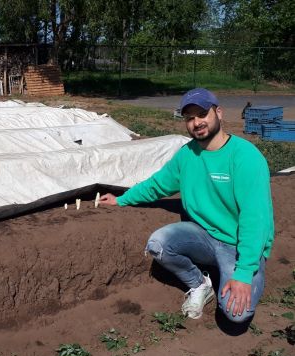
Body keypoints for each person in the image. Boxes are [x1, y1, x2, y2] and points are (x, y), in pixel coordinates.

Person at [100, 88, 274, 323]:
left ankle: (241, 271)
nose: (196, 122)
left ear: (219, 113)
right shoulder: (187, 155)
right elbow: (158, 185)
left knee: (236, 314)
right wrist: (121, 199)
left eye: (202, 114)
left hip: (238, 244)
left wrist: (243, 273)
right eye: (189, 118)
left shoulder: (245, 157)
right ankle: (200, 284)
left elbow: (255, 219)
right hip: (204, 235)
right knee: (158, 243)